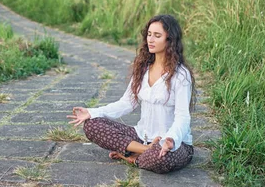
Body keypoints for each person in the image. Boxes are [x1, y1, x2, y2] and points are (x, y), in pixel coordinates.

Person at [66, 14, 196, 174]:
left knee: (163, 159)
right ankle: (143, 150)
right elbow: (126, 103)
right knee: (92, 125)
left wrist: (170, 140)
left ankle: (132, 157)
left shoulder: (180, 75)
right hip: (142, 136)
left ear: (170, 40)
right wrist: (92, 112)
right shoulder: (143, 68)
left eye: (157, 35)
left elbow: (183, 117)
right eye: (149, 34)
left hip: (173, 144)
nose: (151, 40)